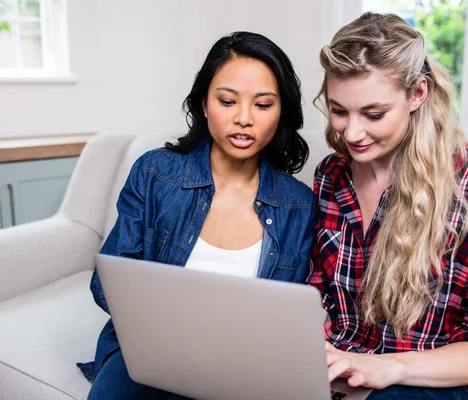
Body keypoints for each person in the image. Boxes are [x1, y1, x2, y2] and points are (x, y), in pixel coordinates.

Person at [78, 31, 317, 400]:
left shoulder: (299, 205)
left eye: (263, 105)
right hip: (148, 347)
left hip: (242, 362)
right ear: (204, 104)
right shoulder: (155, 173)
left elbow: (292, 315)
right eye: (227, 100)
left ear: (281, 111)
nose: (243, 118)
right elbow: (108, 279)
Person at [310, 12, 468, 400]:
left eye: (374, 114)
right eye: (339, 111)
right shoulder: (331, 176)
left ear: (417, 94)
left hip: (447, 387)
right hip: (348, 380)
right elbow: (319, 298)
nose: (352, 133)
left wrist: (390, 368)